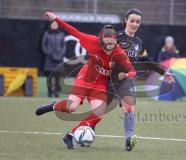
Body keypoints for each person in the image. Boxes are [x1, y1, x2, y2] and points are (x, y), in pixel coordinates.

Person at [35, 12, 136, 150]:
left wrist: (126, 75)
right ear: (101, 40)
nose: (109, 46)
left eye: (112, 43)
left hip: (99, 84)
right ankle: (53, 106)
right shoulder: (92, 41)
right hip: (85, 79)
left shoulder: (119, 53)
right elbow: (74, 32)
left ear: (115, 41)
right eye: (106, 43)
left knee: (99, 112)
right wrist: (56, 19)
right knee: (72, 107)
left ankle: (70, 135)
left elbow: (132, 71)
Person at [106, 8, 175, 151]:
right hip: (109, 78)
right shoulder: (116, 37)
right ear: (125, 21)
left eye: (138, 22)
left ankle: (128, 140)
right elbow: (102, 56)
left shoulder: (139, 43)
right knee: (100, 109)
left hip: (126, 79)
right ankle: (85, 131)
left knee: (129, 107)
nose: (135, 24)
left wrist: (163, 72)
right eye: (132, 21)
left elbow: (147, 61)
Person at [41, 20, 66, 97]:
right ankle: (49, 92)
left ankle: (56, 92)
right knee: (49, 77)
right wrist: (48, 53)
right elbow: (43, 45)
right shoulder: (46, 34)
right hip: (49, 59)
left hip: (58, 59)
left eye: (56, 24)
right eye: (53, 24)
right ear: (50, 25)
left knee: (58, 77)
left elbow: (64, 46)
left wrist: (61, 53)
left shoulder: (61, 34)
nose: (54, 25)